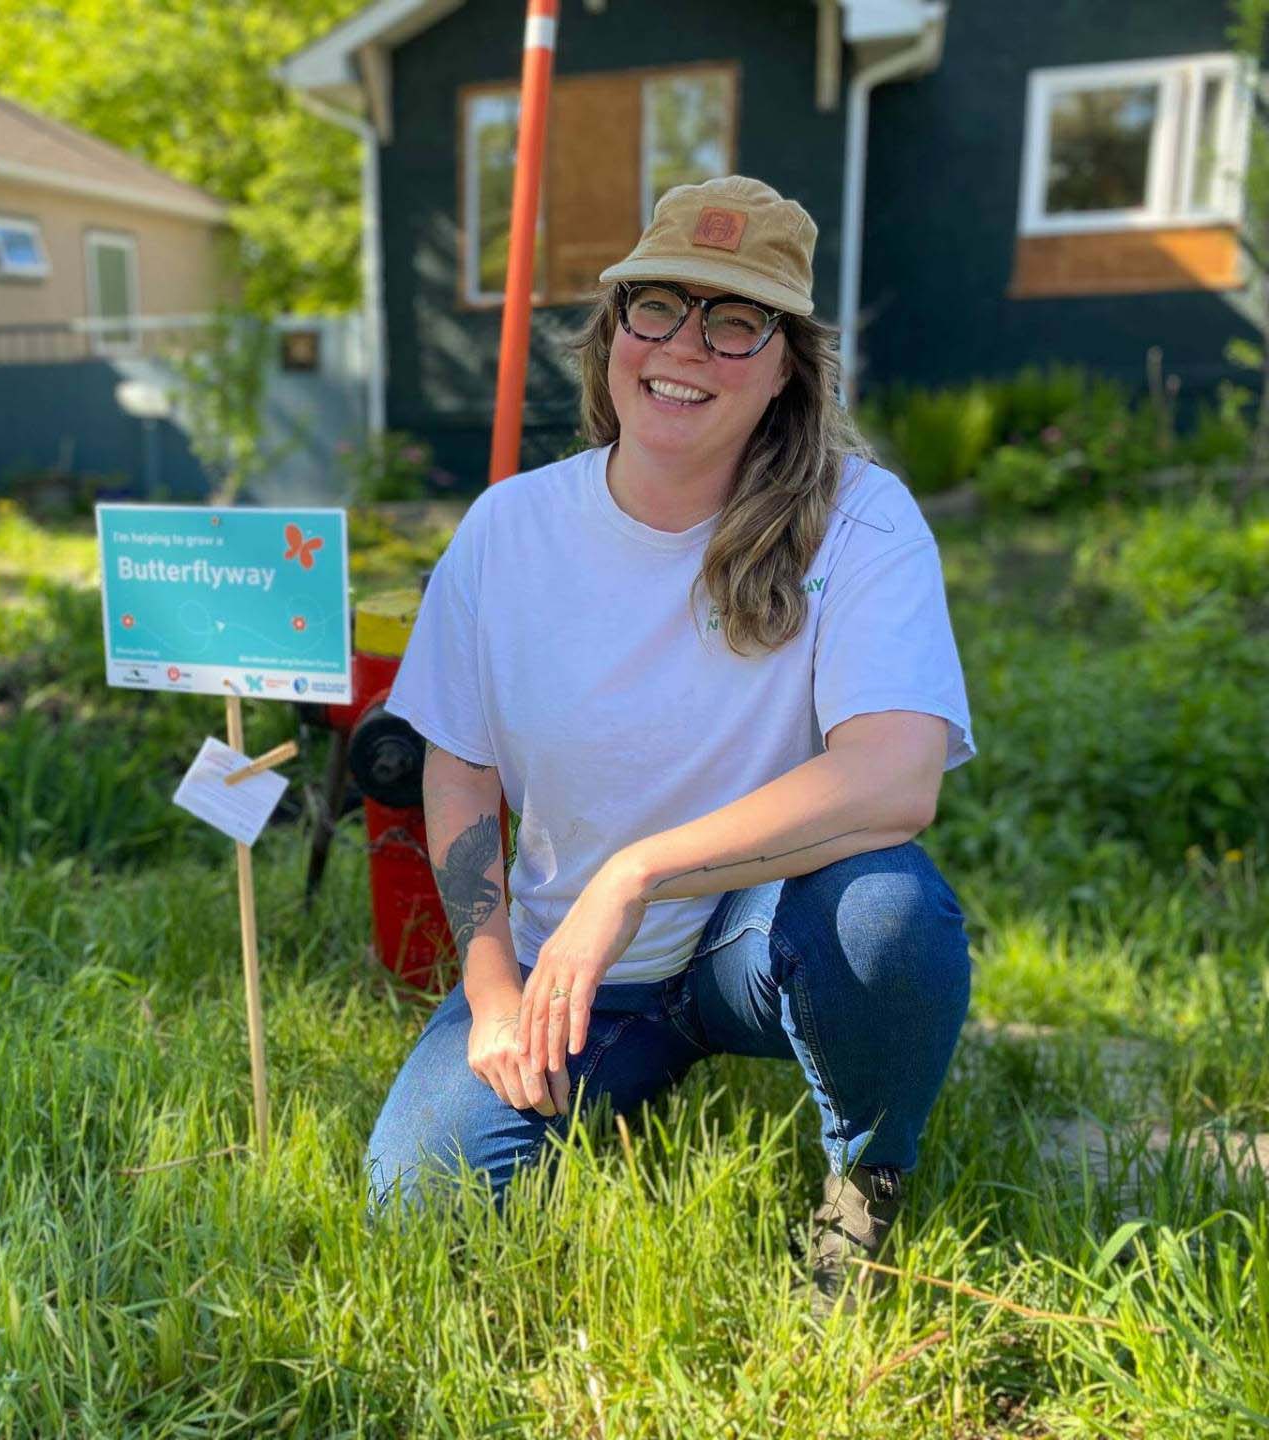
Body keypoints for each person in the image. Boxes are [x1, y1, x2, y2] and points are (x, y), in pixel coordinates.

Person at [365, 175, 976, 1319]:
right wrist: (495, 985)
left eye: (736, 319)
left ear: (788, 362)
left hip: (761, 936)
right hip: (571, 972)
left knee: (887, 914)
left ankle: (866, 1173)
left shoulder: (864, 516)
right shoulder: (511, 528)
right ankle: (619, 1077)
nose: (687, 346)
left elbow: (896, 775)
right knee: (422, 1203)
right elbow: (459, 760)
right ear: (613, 333)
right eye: (659, 307)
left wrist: (634, 875)